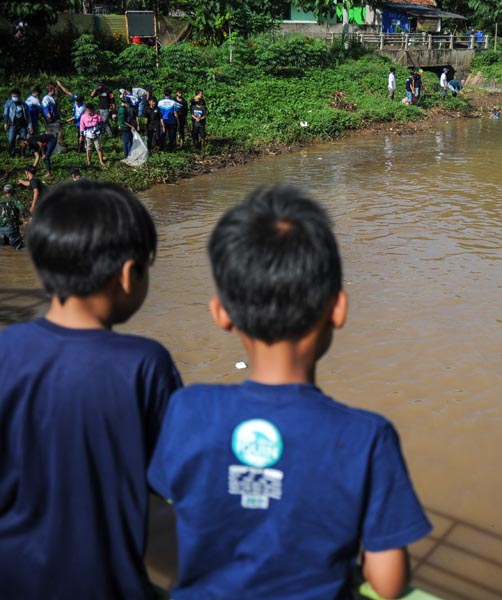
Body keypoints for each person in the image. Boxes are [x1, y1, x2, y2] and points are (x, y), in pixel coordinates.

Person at [147, 185, 432, 599]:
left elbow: (160, 513)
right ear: (338, 308)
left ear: (221, 313)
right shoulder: (366, 437)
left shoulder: (187, 410)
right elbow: (388, 585)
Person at [0, 181, 183, 598]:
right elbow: (173, 479)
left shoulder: (5, 352)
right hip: (105, 583)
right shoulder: (144, 364)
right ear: (128, 275)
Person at [3, 89, 31, 157]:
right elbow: (6, 113)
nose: (14, 98)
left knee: (23, 140)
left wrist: (30, 126)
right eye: (13, 96)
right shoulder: (9, 103)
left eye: (16, 96)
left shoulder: (24, 105)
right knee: (11, 140)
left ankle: (22, 154)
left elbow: (28, 116)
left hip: (23, 126)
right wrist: (5, 123)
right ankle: (12, 154)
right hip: (13, 125)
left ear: (19, 96)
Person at [0, 183, 27, 250]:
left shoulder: (0, 199)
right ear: (12, 191)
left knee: (3, 247)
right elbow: (23, 209)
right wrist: (27, 218)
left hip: (1, 228)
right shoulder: (14, 200)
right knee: (18, 248)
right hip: (12, 227)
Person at [79, 103, 106, 167]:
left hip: (96, 135)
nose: (89, 111)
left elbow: (101, 123)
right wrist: (81, 136)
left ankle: (101, 161)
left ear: (93, 109)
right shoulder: (83, 116)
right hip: (87, 135)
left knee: (99, 148)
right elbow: (82, 126)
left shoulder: (97, 116)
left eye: (90, 110)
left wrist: (100, 130)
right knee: (88, 149)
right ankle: (89, 161)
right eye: (87, 110)